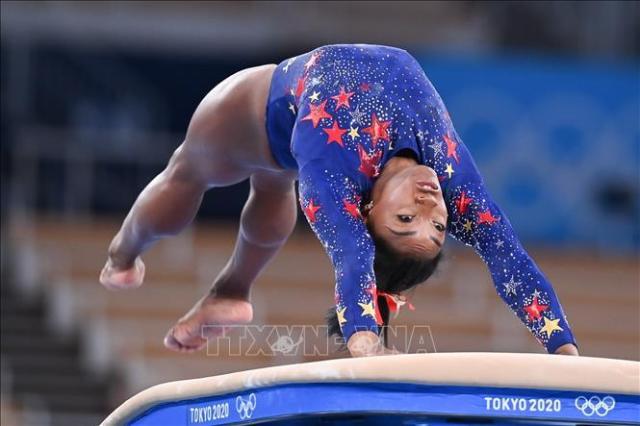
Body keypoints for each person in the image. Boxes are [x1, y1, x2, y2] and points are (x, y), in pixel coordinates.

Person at [99, 44, 579, 358]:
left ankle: (125, 253)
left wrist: (365, 341)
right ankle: (223, 289)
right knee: (268, 183)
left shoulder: (335, 178)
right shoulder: (451, 176)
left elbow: (353, 259)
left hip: (248, 118)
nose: (431, 208)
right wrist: (563, 348)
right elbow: (508, 256)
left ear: (366, 211)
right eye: (437, 227)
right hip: (293, 130)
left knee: (189, 172)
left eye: (407, 218)